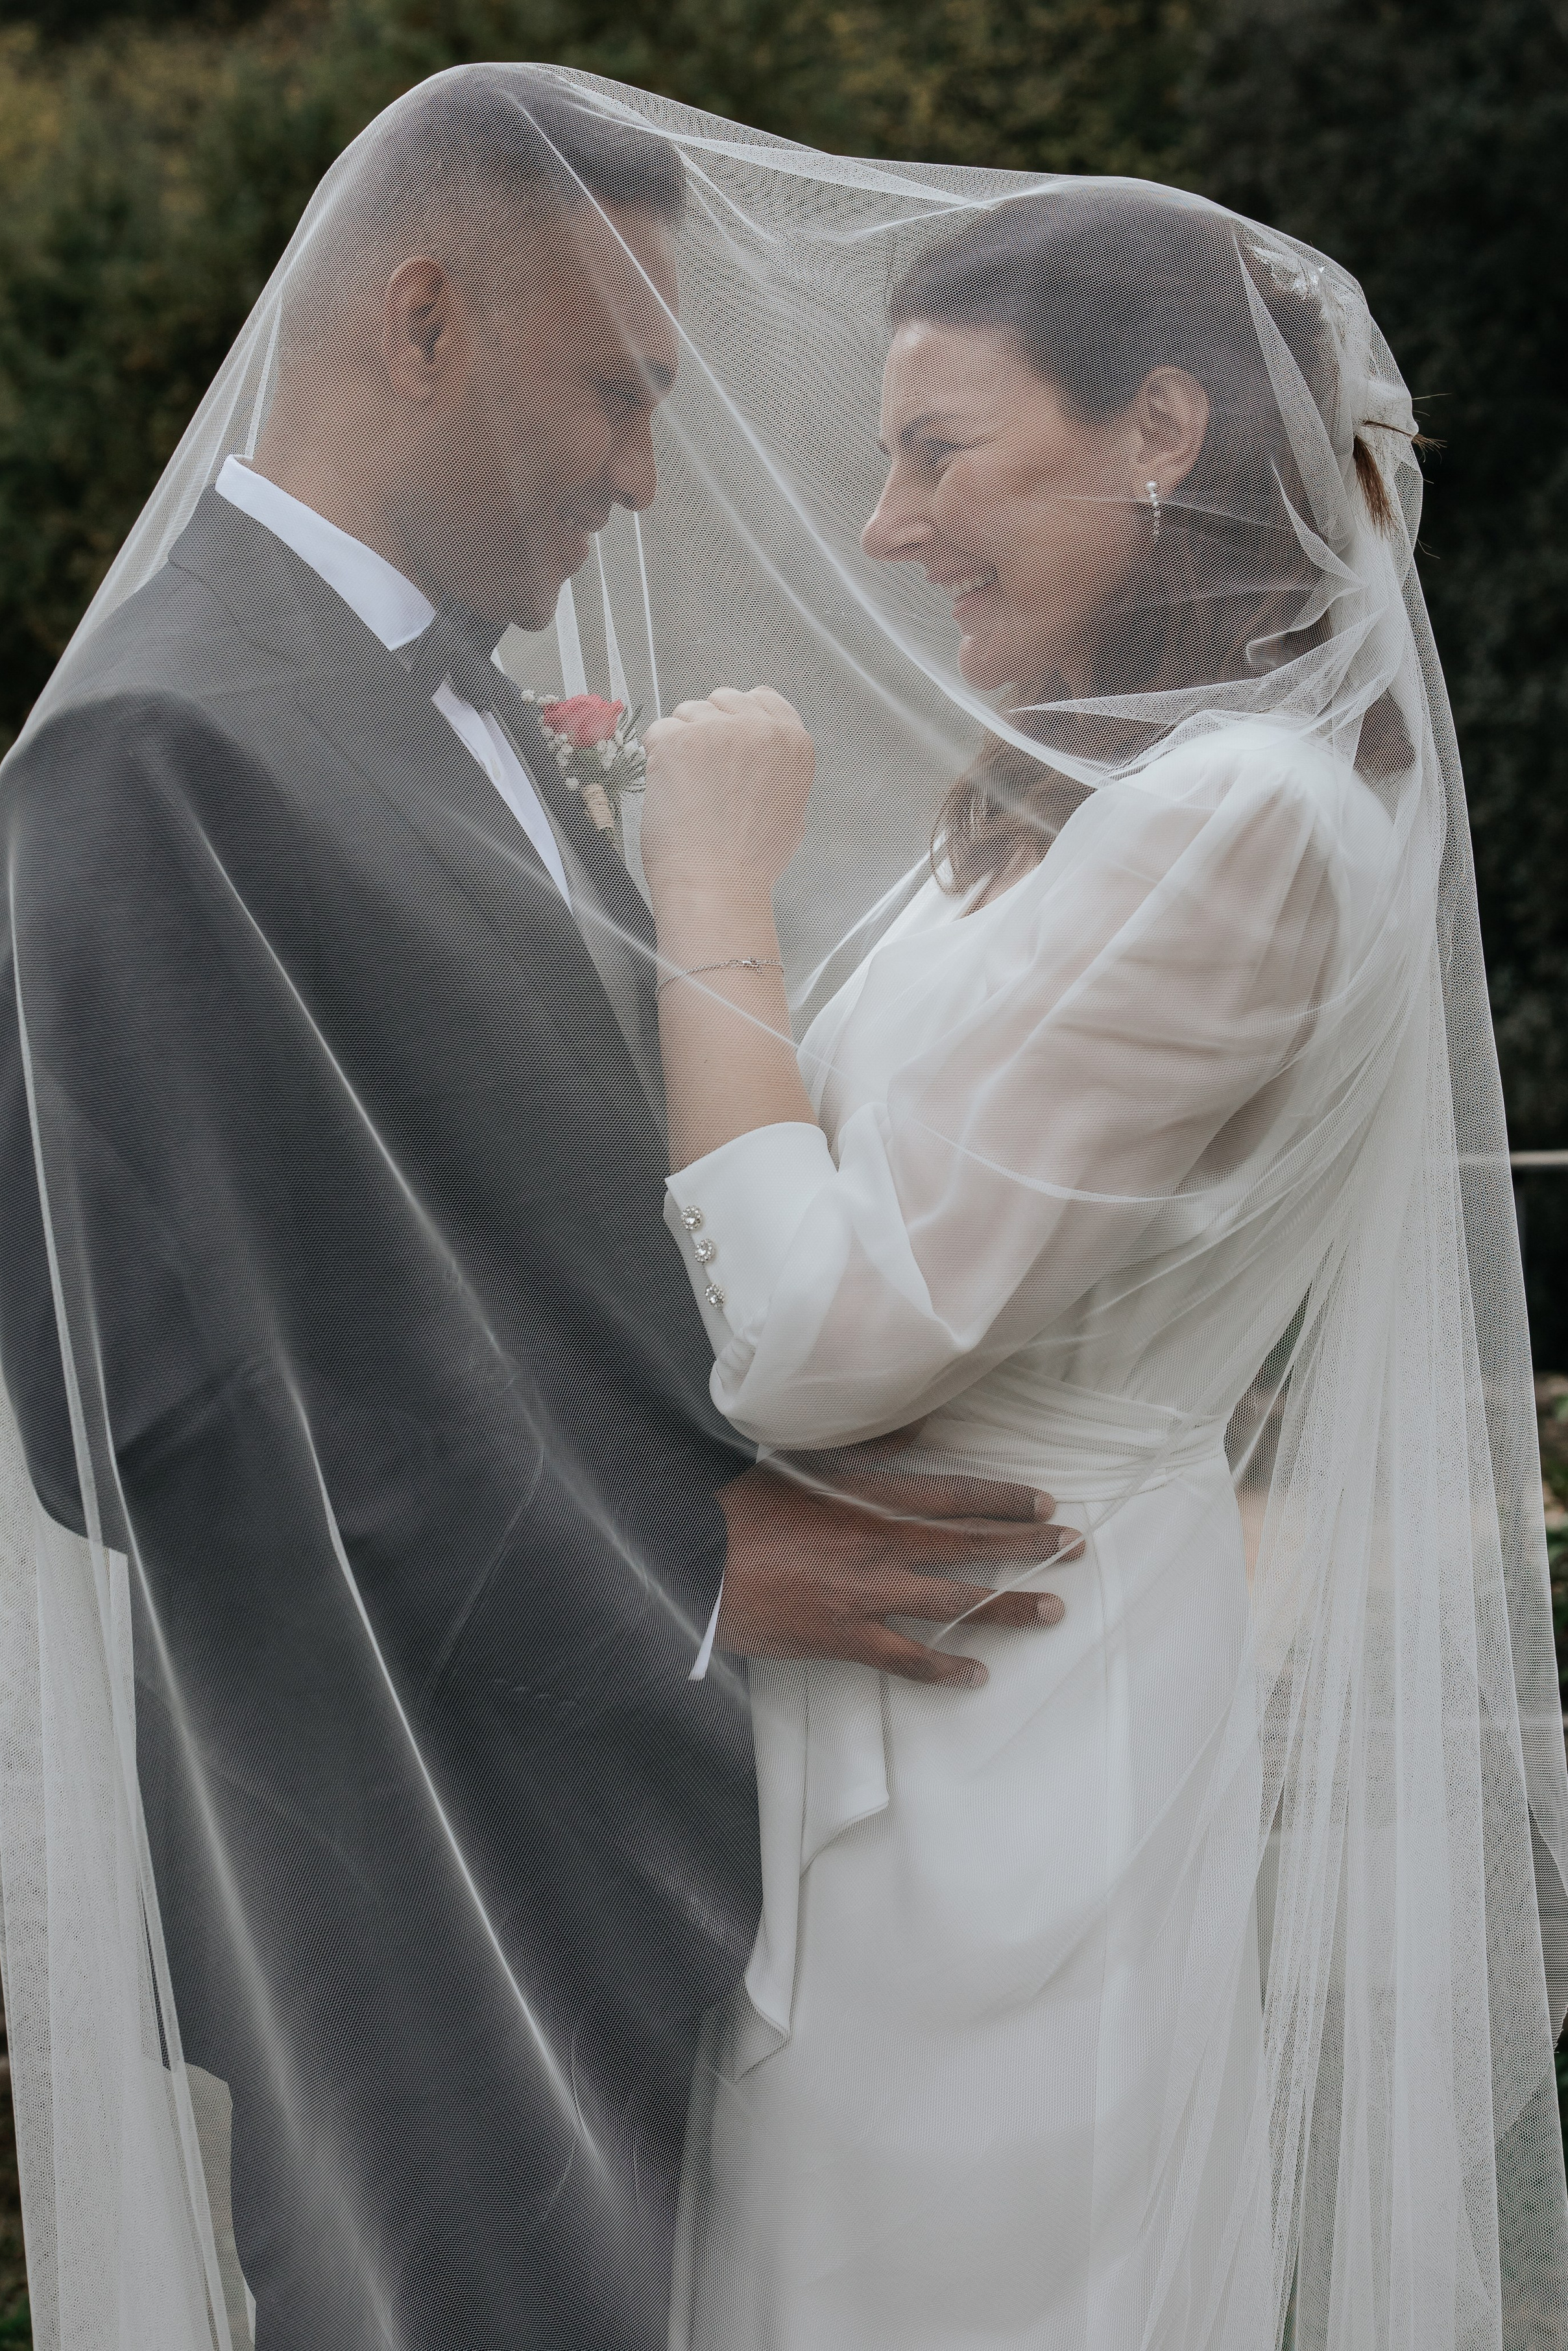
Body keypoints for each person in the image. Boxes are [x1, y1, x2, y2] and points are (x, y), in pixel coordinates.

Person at [0, 71, 1075, 2351]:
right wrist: (687, 1561)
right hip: (405, 1906)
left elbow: (545, 1243)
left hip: (636, 1844)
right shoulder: (149, 757)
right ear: (428, 319)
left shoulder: (457, 705)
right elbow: (142, 1402)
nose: (649, 474)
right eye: (618, 393)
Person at [642, 189, 1568, 2347]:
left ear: (1161, 428)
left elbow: (816, 1336)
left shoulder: (1239, 828)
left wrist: (711, 898)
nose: (884, 527)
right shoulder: (1089, 806)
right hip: (911, 1682)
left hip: (1007, 1715)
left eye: (939, 452)